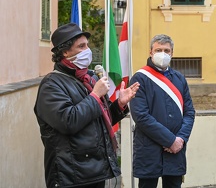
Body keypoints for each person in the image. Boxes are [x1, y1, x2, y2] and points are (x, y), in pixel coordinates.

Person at [34, 23, 140, 188]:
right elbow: (68, 121)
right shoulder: (51, 84)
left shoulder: (88, 78)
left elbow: (99, 120)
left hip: (95, 171)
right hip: (71, 175)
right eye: (81, 46)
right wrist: (95, 95)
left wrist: (119, 104)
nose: (87, 50)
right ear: (65, 51)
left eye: (87, 45)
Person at [129, 34, 195, 188]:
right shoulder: (140, 78)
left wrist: (180, 139)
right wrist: (170, 140)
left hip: (175, 151)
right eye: (158, 50)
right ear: (151, 52)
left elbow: (189, 113)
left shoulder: (179, 78)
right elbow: (141, 116)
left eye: (167, 50)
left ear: (172, 53)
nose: (163, 54)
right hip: (149, 150)